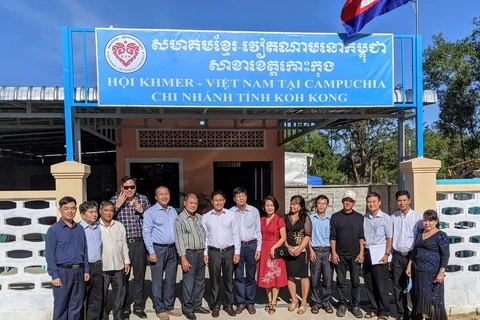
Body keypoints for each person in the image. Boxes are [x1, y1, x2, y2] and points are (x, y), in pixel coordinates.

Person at [110, 175, 151, 319]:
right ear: (121, 187)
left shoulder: (143, 200)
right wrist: (117, 206)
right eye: (126, 187)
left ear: (135, 187)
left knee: (139, 277)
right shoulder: (114, 200)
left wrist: (142, 211)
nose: (129, 190)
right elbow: (107, 218)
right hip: (122, 244)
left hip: (139, 243)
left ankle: (139, 307)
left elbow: (152, 220)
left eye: (131, 187)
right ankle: (125, 307)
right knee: (123, 278)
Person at [45, 196, 90, 320]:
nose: (70, 211)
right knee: (61, 306)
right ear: (60, 210)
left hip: (79, 272)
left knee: (76, 305)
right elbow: (49, 254)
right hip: (62, 272)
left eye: (72, 208)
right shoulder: (54, 230)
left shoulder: (80, 229)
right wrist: (54, 275)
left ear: (76, 210)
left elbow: (85, 250)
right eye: (66, 209)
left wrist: (86, 269)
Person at [143, 186, 182, 320]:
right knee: (158, 281)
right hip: (158, 249)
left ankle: (169, 306)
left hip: (172, 249)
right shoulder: (150, 212)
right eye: (161, 194)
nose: (164, 196)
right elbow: (146, 233)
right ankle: (159, 308)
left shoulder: (172, 211)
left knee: (171, 279)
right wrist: (151, 252)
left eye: (166, 194)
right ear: (156, 197)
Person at [202, 190, 241, 318]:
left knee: (229, 280)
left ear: (224, 201)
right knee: (214, 280)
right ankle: (215, 305)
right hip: (214, 252)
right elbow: (205, 237)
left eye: (221, 200)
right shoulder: (206, 217)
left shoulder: (231, 215)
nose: (218, 202)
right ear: (212, 201)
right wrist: (206, 253)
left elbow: (236, 234)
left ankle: (229, 305)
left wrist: (237, 252)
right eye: (216, 200)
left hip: (229, 251)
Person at [406, 210, 449, 320]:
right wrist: (409, 265)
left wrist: (441, 272)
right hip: (419, 272)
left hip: (433, 274)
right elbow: (415, 250)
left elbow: (445, 255)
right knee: (421, 300)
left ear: (436, 221)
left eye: (430, 220)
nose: (427, 223)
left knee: (433, 301)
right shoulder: (420, 232)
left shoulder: (441, 235)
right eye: (425, 220)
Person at [174, 193, 210, 320]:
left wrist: (205, 253)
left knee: (200, 281)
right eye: (191, 203)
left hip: (201, 253)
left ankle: (197, 305)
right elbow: (179, 240)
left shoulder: (200, 217)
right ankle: (188, 308)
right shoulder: (180, 219)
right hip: (189, 253)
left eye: (195, 203)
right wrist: (183, 258)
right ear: (185, 203)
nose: (193, 205)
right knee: (189, 282)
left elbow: (205, 236)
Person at [330, 190, 364, 318]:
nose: (348, 202)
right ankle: (342, 304)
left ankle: (355, 305)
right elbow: (332, 237)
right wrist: (333, 252)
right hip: (340, 255)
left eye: (350, 201)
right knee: (340, 281)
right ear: (342, 201)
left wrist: (361, 253)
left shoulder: (359, 217)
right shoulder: (335, 217)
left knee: (355, 282)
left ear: (354, 203)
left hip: (355, 255)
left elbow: (361, 237)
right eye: (346, 200)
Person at [230, 187, 262, 315]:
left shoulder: (254, 211)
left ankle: (250, 302)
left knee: (250, 275)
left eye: (243, 196)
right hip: (237, 247)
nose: (241, 198)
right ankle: (240, 302)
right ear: (234, 199)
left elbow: (258, 230)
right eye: (238, 196)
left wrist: (258, 248)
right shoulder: (231, 212)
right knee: (238, 276)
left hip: (251, 246)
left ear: (246, 197)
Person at [391, 190, 423, 320]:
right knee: (398, 286)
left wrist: (415, 257)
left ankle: (416, 314)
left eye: (404, 200)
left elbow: (421, 239)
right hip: (397, 256)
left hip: (412, 256)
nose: (402, 203)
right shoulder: (393, 217)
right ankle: (402, 313)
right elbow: (390, 237)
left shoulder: (418, 218)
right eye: (399, 200)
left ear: (409, 200)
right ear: (396, 202)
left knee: (414, 287)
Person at [363, 193, 393, 320]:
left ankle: (384, 311)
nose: (372, 204)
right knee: (369, 283)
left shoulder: (386, 218)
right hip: (367, 253)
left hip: (380, 254)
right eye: (369, 202)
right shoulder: (365, 218)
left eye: (374, 201)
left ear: (379, 202)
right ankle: (373, 308)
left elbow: (389, 238)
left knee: (382, 284)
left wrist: (387, 254)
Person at [99, 200, 130, 320]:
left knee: (119, 295)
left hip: (118, 267)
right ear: (100, 211)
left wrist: (126, 261)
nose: (108, 213)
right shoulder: (96, 227)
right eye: (105, 210)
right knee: (103, 295)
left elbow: (124, 245)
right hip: (103, 268)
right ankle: (104, 316)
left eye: (111, 210)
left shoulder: (119, 226)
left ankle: (118, 316)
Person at [257, 196, 288, 315]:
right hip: (263, 249)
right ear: (264, 207)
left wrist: (274, 247)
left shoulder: (279, 220)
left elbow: (283, 237)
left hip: (274, 250)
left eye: (271, 205)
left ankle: (274, 301)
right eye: (267, 205)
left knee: (275, 277)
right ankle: (269, 300)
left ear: (275, 206)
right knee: (265, 276)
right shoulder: (261, 219)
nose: (269, 207)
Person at [284, 195, 311, 315]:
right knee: (290, 276)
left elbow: (307, 235)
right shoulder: (285, 218)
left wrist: (300, 249)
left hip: (302, 251)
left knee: (303, 276)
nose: (292, 206)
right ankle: (294, 300)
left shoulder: (305, 218)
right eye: (291, 203)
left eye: (295, 204)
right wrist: (288, 247)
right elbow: (282, 235)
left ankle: (304, 301)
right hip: (289, 250)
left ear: (301, 206)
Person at [309, 195, 334, 314]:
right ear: (316, 204)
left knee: (328, 278)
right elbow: (307, 236)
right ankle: (316, 302)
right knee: (314, 278)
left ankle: (326, 302)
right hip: (315, 251)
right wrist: (311, 251)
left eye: (324, 203)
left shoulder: (331, 219)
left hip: (328, 251)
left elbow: (335, 237)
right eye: (319, 203)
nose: (321, 205)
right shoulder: (311, 218)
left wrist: (333, 252)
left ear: (327, 205)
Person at [79, 201, 103, 320]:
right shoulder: (78, 229)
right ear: (83, 215)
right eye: (91, 212)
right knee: (82, 296)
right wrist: (84, 269)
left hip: (98, 266)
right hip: (86, 267)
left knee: (96, 297)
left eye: (95, 211)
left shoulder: (98, 227)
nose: (94, 214)